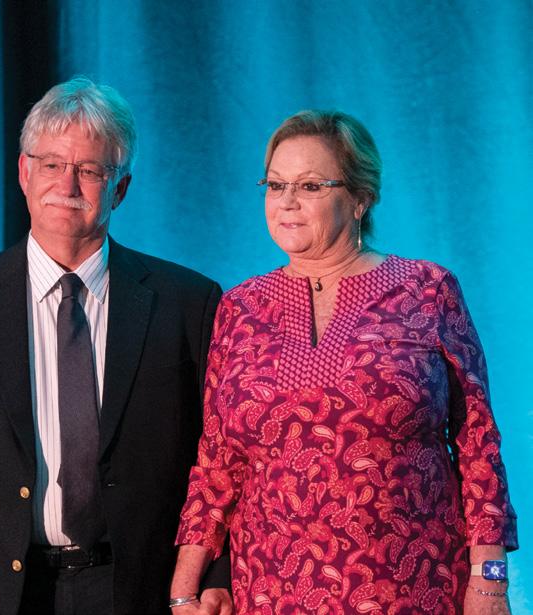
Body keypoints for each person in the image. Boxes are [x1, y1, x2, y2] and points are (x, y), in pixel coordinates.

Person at [0, 77, 232, 615]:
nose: (67, 184)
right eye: (51, 165)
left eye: (90, 170)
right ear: (25, 173)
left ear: (120, 188)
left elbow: (224, 463)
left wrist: (215, 580)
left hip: (138, 590)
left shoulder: (188, 304)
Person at [170, 110, 517, 614]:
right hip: (269, 594)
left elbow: (478, 444)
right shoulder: (240, 308)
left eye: (310, 185)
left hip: (412, 591)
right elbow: (217, 464)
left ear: (360, 197)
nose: (286, 201)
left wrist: (491, 584)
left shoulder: (427, 290)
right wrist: (184, 590)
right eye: (275, 185)